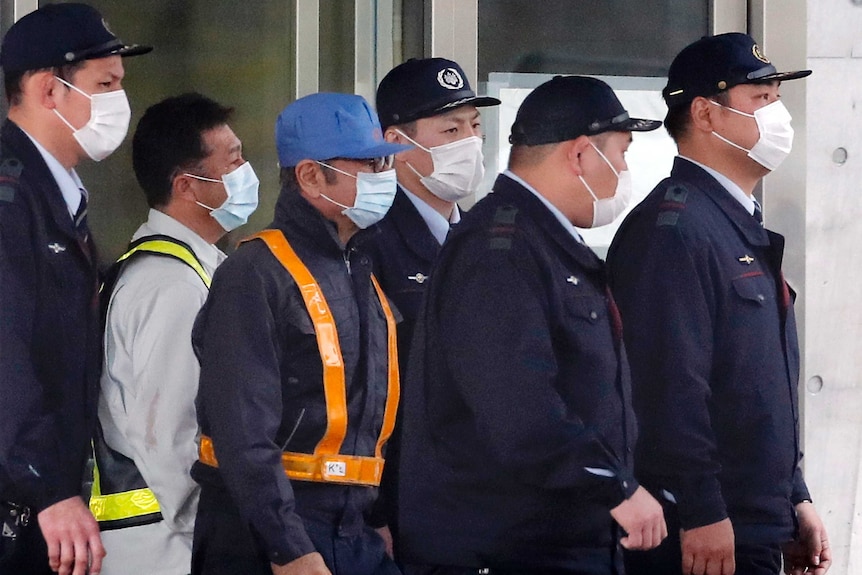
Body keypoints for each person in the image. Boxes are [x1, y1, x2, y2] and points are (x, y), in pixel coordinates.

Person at [396, 75, 667, 575]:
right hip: (510, 549)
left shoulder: (543, 242)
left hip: (561, 540)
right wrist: (614, 485)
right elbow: (516, 404)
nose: (624, 171)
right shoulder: (499, 250)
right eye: (621, 153)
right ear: (581, 155)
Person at [606, 33, 830, 575]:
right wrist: (700, 508)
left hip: (753, 523)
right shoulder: (675, 230)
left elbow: (756, 387)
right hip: (705, 534)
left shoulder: (732, 224)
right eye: (761, 98)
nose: (779, 115)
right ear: (706, 114)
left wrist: (793, 499)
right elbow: (667, 387)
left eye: (777, 96)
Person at [190, 92, 411, 575]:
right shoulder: (256, 273)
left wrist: (372, 517)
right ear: (311, 176)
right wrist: (286, 547)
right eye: (371, 164)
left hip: (349, 531)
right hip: (269, 538)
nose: (385, 178)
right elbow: (241, 428)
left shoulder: (359, 270)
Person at [0, 4, 150, 574]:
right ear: (47, 90)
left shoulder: (57, 194)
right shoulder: (11, 199)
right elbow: (6, 355)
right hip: (24, 504)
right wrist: (45, 487)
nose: (119, 101)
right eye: (104, 84)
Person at [91, 93, 258, 574]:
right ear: (189, 185)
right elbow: (169, 435)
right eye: (233, 161)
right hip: (170, 550)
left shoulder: (193, 270)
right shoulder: (171, 285)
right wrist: (221, 540)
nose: (246, 171)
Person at [371, 57, 499, 363]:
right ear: (396, 143)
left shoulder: (489, 236)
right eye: (452, 131)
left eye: (476, 125)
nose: (472, 141)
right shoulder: (370, 240)